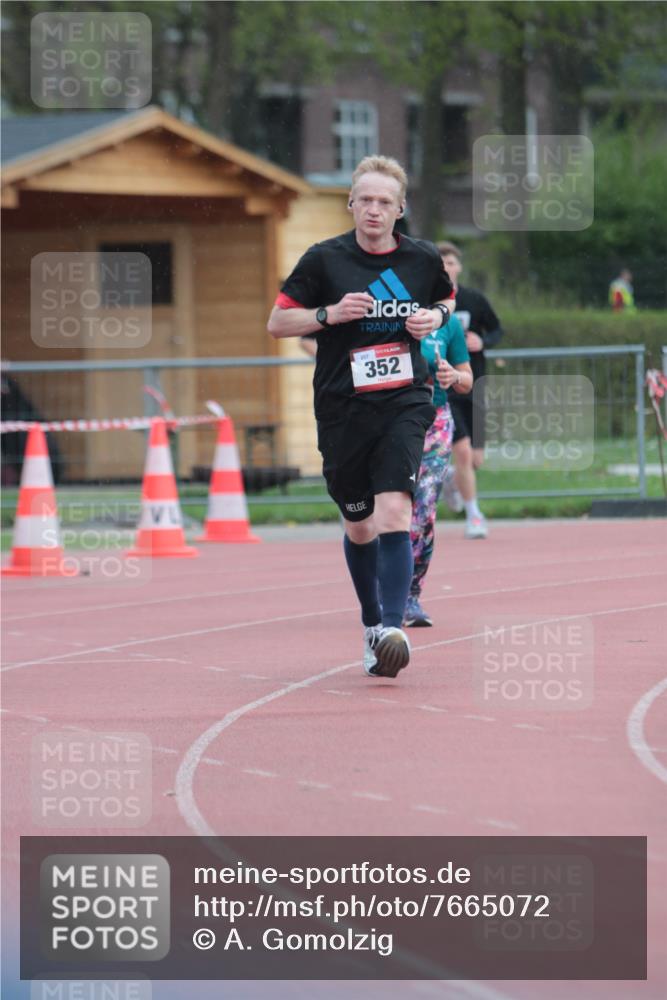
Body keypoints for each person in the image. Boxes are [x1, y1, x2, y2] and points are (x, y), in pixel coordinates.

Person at [268, 155, 455, 678]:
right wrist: (328, 315)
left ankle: (394, 628)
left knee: (396, 509)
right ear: (351, 204)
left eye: (384, 202)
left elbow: (445, 298)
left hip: (404, 399)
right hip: (343, 406)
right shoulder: (324, 260)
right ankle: (373, 623)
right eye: (365, 200)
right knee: (359, 522)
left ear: (401, 210)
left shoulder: (420, 259)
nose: (374, 210)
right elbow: (278, 322)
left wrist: (431, 318)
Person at [404, 313, 472, 627]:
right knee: (389, 511)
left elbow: (467, 378)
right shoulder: (388, 313)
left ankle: (411, 595)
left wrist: (453, 377)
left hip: (436, 421)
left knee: (423, 509)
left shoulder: (450, 323)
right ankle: (384, 587)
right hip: (390, 420)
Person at [437, 241, 505, 540]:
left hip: (473, 383)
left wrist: (482, 341)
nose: (447, 268)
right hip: (445, 387)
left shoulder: (474, 300)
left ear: (459, 266)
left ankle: (451, 481)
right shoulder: (428, 303)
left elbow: (498, 329)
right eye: (441, 264)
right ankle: (474, 515)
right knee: (462, 453)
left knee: (475, 459)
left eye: (451, 263)